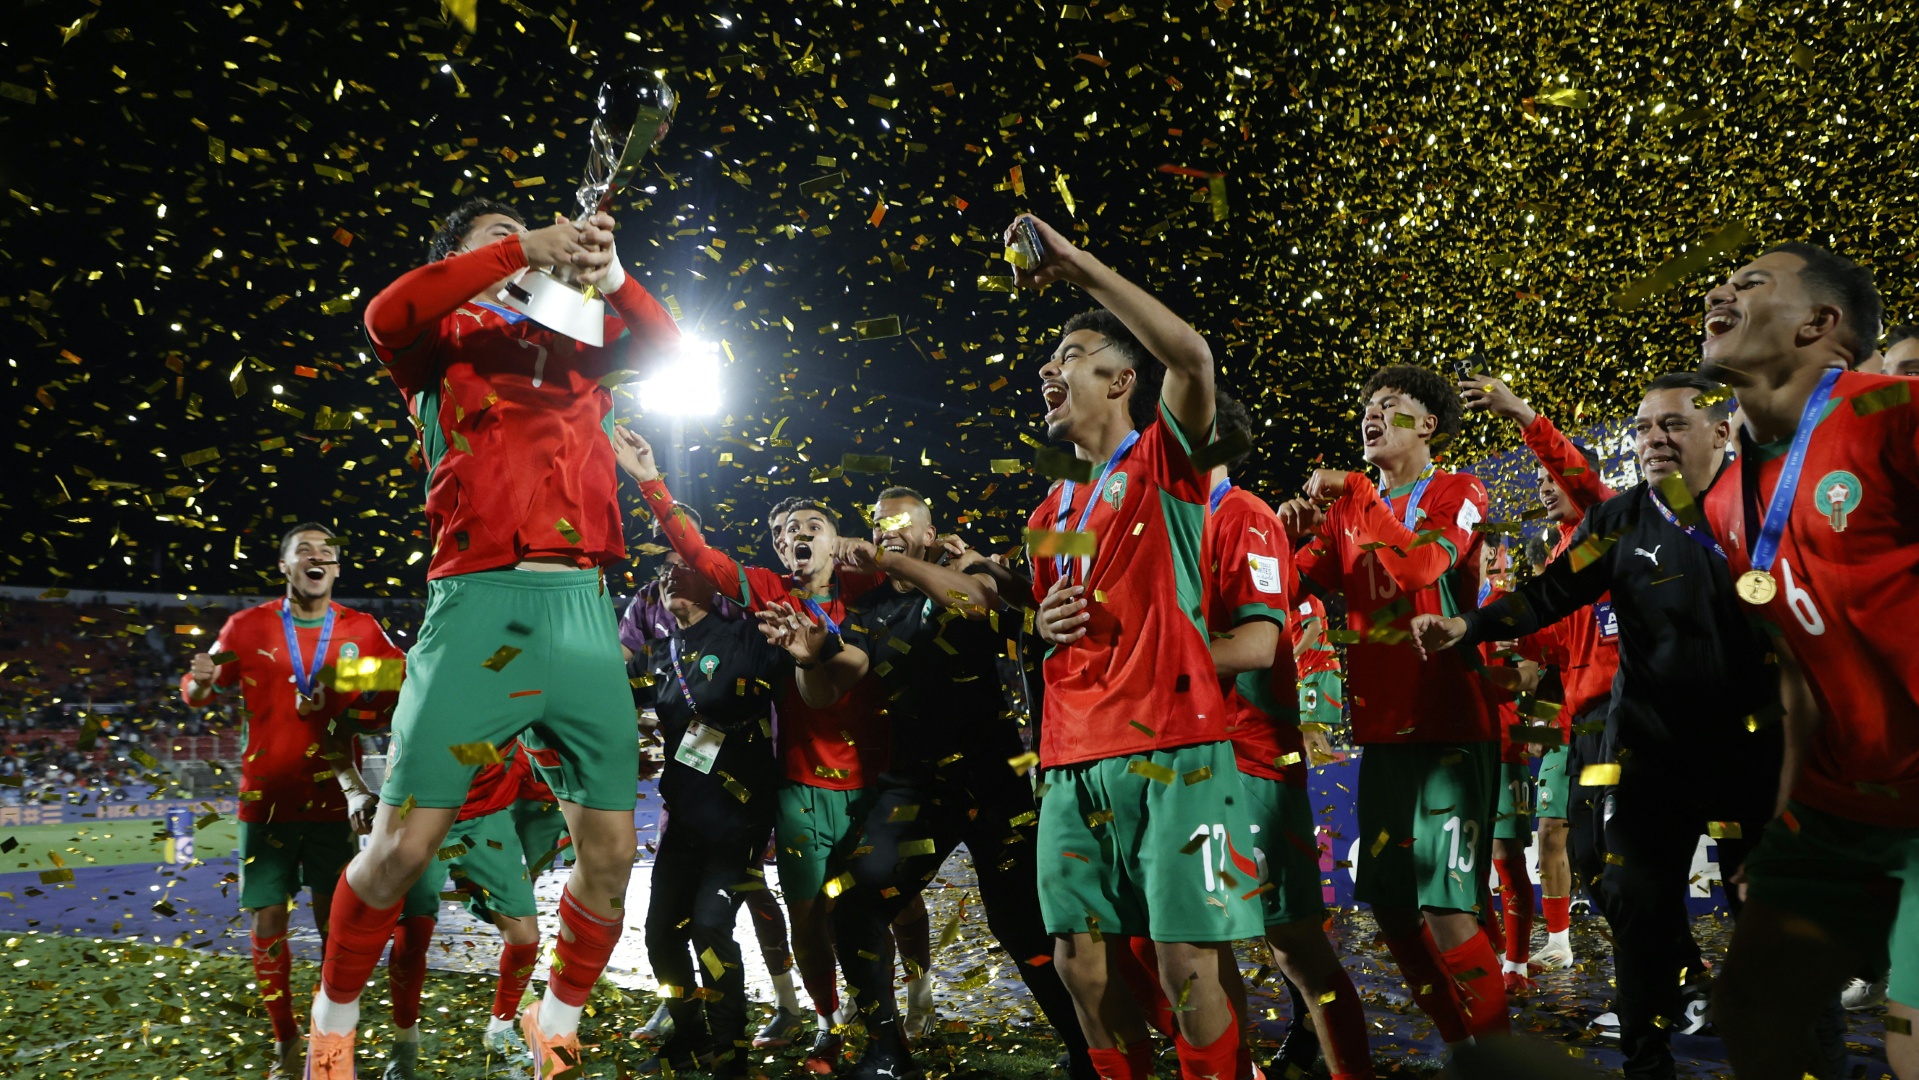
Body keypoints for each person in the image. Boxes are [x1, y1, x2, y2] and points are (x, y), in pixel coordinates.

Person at [306, 195, 680, 1080]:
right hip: (479, 611)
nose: (523, 255)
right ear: (467, 259)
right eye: (496, 241)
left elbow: (665, 347)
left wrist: (609, 271)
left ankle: (554, 1022)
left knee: (614, 851)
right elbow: (384, 311)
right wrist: (523, 245)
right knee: (400, 848)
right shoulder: (442, 339)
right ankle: (332, 1029)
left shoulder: (578, 336)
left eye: (528, 240)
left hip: (585, 608)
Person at [1411, 371, 1783, 1080]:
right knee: (1632, 905)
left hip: (1754, 757)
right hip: (1647, 756)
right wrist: (1469, 625)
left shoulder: (1757, 510)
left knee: (1765, 923)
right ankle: (1647, 1063)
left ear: (1719, 431)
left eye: (1671, 424)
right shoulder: (1617, 521)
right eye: (1643, 427)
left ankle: (1789, 1051)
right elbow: (1550, 592)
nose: (1652, 439)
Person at [1015, 211, 1260, 1080]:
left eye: (1073, 357)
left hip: (1175, 747)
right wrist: (1041, 627)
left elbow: (1191, 358)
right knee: (1081, 966)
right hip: (1071, 752)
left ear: (1123, 380)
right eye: (1049, 362)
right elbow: (1058, 617)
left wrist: (1079, 267)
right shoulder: (1050, 511)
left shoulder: (1167, 463)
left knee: (1184, 964)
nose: (1050, 369)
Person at [757, 487, 1094, 1080]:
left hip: (994, 782)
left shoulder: (957, 575)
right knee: (851, 900)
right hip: (916, 786)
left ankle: (1084, 1048)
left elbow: (977, 606)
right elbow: (835, 685)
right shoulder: (868, 609)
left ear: (930, 537)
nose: (886, 529)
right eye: (879, 522)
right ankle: (888, 1051)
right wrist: (808, 659)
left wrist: (891, 559)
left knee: (1021, 924)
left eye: (900, 523)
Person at [1693, 243, 1916, 1080]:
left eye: (1752, 282)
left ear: (1821, 326)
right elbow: (1794, 669)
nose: (1720, 288)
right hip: (1833, 808)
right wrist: (1786, 812)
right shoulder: (1723, 497)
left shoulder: (1894, 411)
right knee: (1752, 1010)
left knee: (1911, 1044)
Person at [619, 428, 893, 1074]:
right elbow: (696, 561)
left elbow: (849, 668)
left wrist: (885, 555)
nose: (797, 537)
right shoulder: (762, 598)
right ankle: (817, 1020)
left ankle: (907, 999)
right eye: (785, 532)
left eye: (812, 526)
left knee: (881, 913)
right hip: (784, 789)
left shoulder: (860, 589)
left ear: (834, 538)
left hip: (864, 784)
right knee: (793, 920)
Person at [1275, 364, 1509, 1047]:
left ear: (1427, 424)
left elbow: (1419, 570)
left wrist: (1353, 490)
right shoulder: (1348, 511)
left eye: (1389, 405)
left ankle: (1496, 1056)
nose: (1370, 415)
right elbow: (1286, 590)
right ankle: (1460, 1048)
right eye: (1366, 407)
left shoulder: (1456, 491)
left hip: (1449, 728)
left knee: (1445, 910)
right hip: (1380, 733)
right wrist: (1289, 533)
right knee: (1392, 909)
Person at [180, 523, 403, 1079]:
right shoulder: (247, 625)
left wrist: (345, 685)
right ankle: (285, 1038)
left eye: (327, 550)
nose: (317, 557)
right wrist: (201, 680)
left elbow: (402, 682)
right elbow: (195, 693)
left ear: (336, 568)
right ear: (284, 567)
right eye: (304, 550)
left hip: (335, 801)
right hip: (266, 802)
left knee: (337, 934)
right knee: (267, 925)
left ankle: (332, 1041)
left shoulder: (361, 629)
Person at [1199, 393, 1375, 1079]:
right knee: (1198, 945)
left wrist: (1315, 724)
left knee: (1293, 943)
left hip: (1251, 766)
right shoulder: (1168, 523)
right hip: (1188, 762)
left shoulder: (1242, 516)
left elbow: (1264, 643)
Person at [617, 508, 810, 1051]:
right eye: (660, 555)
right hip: (686, 790)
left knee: (729, 911)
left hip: (745, 791)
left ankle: (778, 1008)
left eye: (679, 554)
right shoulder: (648, 610)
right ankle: (686, 1018)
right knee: (669, 925)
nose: (668, 565)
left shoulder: (737, 612)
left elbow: (794, 675)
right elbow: (618, 667)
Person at [1457, 374, 1624, 977]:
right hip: (1580, 720)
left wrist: (1523, 415)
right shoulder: (1561, 559)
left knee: (1620, 845)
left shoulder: (1612, 528)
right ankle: (1643, 969)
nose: (1548, 489)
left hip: (1622, 715)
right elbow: (1548, 645)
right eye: (1544, 482)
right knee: (1586, 847)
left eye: (1558, 480)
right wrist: (1484, 626)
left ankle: (1668, 977)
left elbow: (1578, 474)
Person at [380, 741, 563, 1079]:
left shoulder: (518, 694)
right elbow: (440, 745)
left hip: (486, 818)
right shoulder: (433, 691)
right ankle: (404, 1042)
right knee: (412, 937)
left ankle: (500, 1028)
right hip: (425, 814)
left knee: (525, 937)